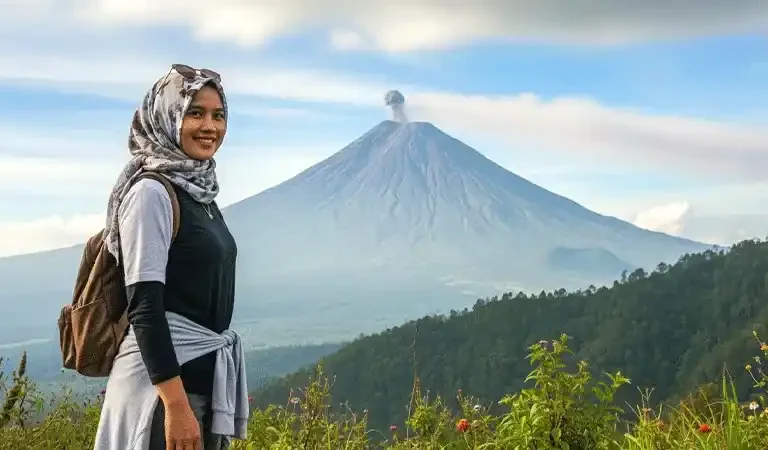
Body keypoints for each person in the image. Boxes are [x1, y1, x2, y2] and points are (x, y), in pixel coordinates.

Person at [93, 64, 248, 450]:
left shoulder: (199, 194)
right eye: (195, 112)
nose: (209, 126)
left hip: (197, 389)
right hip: (161, 395)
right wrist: (176, 406)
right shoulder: (151, 193)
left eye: (219, 115)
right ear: (167, 116)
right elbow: (145, 307)